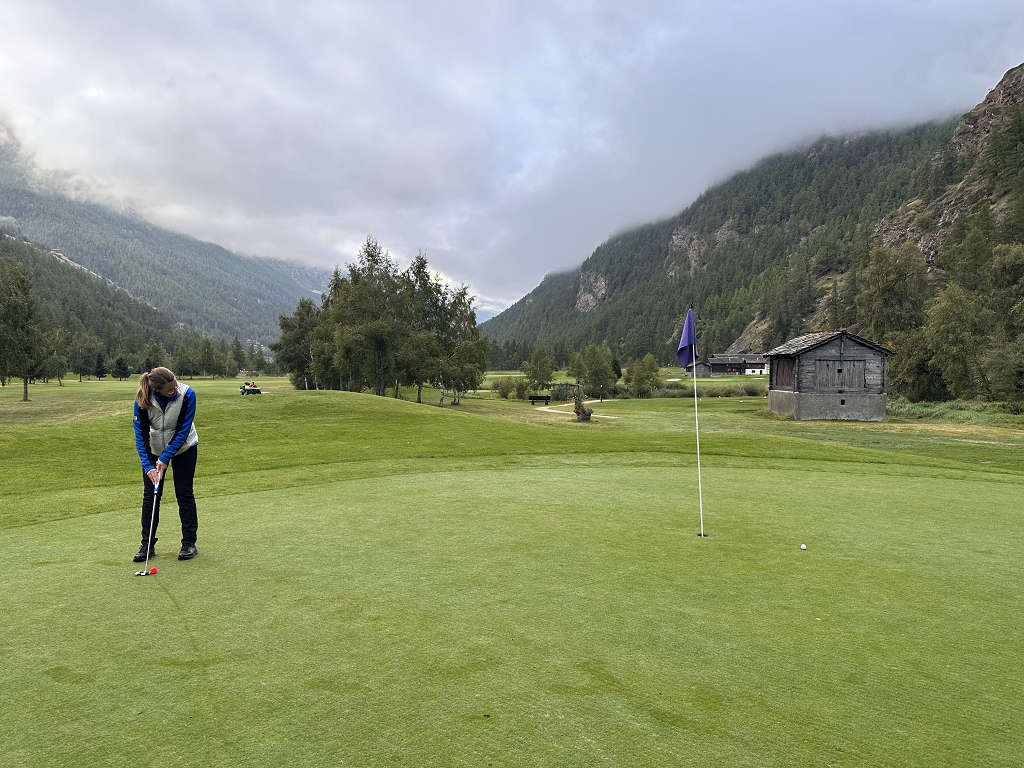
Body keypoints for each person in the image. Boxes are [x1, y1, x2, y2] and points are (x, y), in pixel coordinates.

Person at [132, 367, 200, 562]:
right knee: (151, 497)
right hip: (153, 449)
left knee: (184, 493)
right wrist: (148, 466)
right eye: (170, 390)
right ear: (157, 390)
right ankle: (147, 544)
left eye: (175, 385)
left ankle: (189, 543)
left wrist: (165, 457)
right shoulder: (143, 400)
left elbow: (183, 430)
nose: (175, 390)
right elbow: (141, 436)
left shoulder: (187, 395)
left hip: (184, 448)